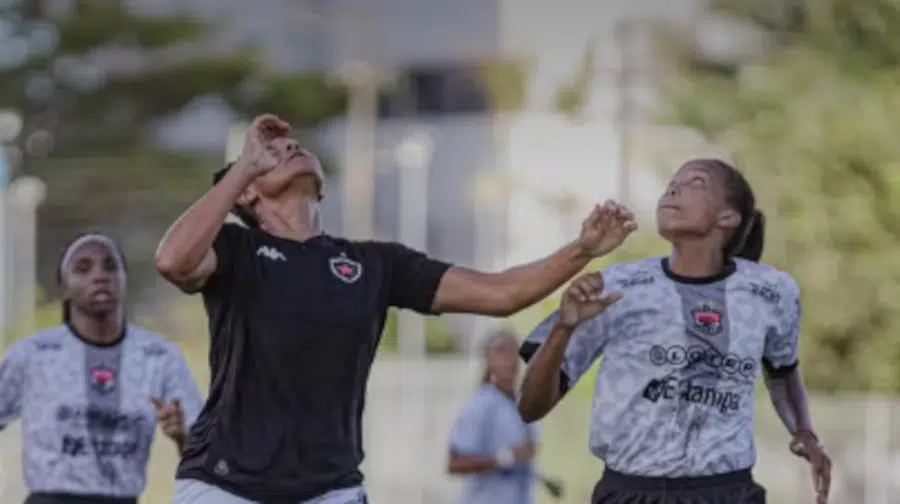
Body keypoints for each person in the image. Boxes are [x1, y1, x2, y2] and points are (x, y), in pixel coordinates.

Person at [153, 114, 637, 504]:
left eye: (294, 147)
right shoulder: (236, 250)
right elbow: (173, 261)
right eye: (271, 156)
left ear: (322, 186)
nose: (290, 149)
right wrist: (243, 165)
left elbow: (499, 295)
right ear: (248, 193)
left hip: (331, 489)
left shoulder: (376, 264)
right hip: (225, 484)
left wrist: (583, 248)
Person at [518, 158, 833, 504]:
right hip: (632, 492)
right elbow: (529, 408)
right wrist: (563, 328)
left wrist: (804, 432)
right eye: (672, 182)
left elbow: (783, 371)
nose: (673, 189)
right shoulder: (615, 287)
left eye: (695, 182)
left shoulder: (772, 290)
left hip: (727, 491)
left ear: (728, 217)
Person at [0, 233, 204, 504]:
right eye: (83, 268)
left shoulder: (158, 356)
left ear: (124, 279)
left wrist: (181, 435)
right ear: (64, 287)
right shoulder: (34, 353)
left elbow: (204, 454)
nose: (99, 275)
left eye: (110, 266)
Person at [447, 330, 564, 504]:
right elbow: (455, 463)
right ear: (488, 360)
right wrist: (505, 457)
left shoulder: (523, 403)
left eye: (513, 352)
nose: (509, 359)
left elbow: (521, 461)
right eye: (501, 352)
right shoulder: (481, 405)